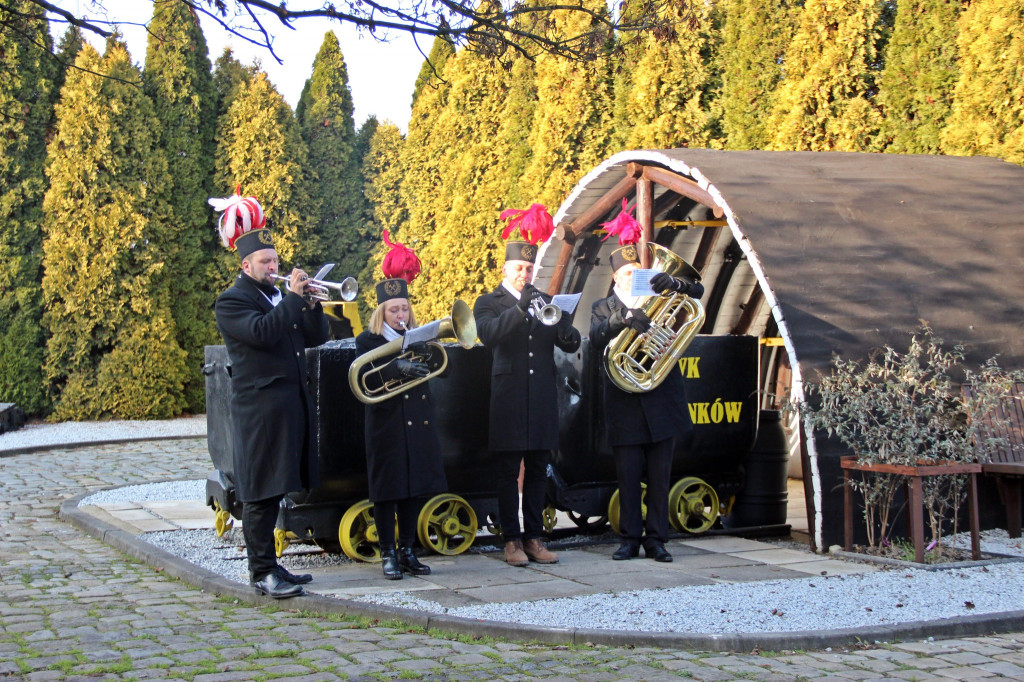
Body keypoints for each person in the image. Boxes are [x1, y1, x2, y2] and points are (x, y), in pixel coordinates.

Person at [211, 192, 329, 599]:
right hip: (259, 409)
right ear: (246, 266)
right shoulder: (232, 301)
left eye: (276, 261)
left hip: (289, 406)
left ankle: (273, 566)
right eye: (265, 262)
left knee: (278, 487)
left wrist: (311, 306)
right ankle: (260, 571)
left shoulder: (280, 298)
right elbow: (262, 333)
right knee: (260, 492)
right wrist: (293, 300)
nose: (274, 267)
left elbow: (316, 339)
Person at [474, 205, 581, 566]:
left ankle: (534, 537)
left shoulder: (544, 301)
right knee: (508, 472)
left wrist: (565, 325)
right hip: (508, 399)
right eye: (519, 268)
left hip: (541, 398)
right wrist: (521, 308)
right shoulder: (488, 302)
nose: (525, 274)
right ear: (505, 269)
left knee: (538, 469)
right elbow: (489, 335)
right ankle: (511, 541)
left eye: (529, 269)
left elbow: (569, 343)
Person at [590, 238, 704, 563]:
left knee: (659, 476)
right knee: (627, 476)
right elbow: (596, 338)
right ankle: (629, 539)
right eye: (626, 272)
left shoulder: (659, 295)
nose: (632, 276)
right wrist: (622, 320)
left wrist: (675, 283)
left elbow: (698, 292)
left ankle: (657, 540)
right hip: (624, 401)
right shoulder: (603, 307)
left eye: (636, 270)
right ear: (615, 277)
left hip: (661, 397)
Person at [353, 232, 447, 580]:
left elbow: (444, 371)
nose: (400, 314)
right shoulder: (367, 340)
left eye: (404, 308)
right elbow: (364, 380)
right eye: (393, 310)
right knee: (387, 491)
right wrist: (397, 367)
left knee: (414, 488)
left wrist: (425, 352)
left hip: (418, 420)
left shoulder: (419, 335)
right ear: (382, 312)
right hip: (386, 423)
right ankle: (388, 554)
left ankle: (407, 550)